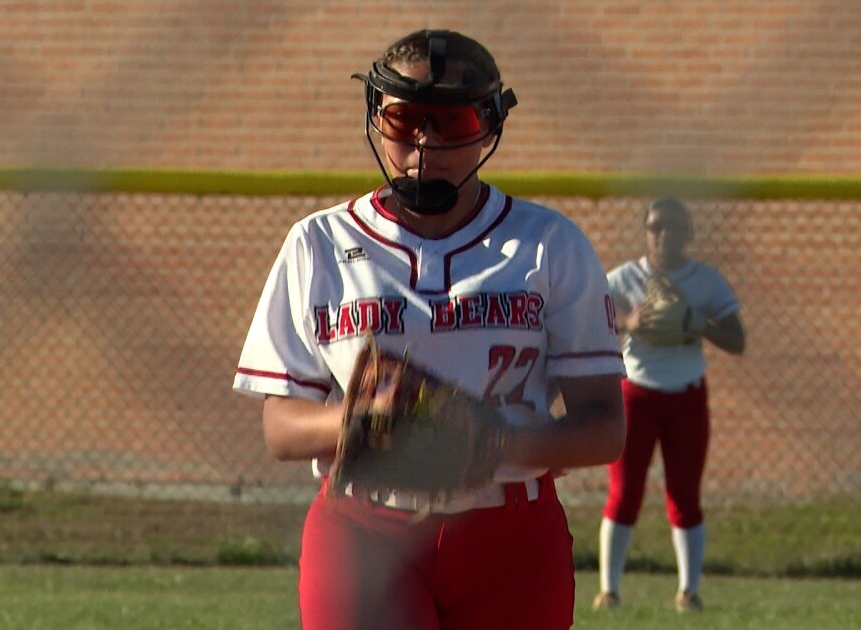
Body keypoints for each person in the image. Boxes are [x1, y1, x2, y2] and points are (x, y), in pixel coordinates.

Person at [233, 29, 627, 630]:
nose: (425, 139)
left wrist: (492, 443)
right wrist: (372, 423)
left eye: (454, 120)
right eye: (404, 118)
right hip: (364, 527)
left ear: (491, 126)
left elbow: (604, 429)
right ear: (376, 117)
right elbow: (282, 429)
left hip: (510, 530)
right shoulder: (318, 242)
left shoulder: (548, 244)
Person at [592, 196, 746, 613]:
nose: (665, 235)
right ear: (645, 232)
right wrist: (628, 322)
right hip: (635, 393)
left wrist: (699, 323)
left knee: (684, 493)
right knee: (624, 493)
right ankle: (609, 589)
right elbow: (588, 324)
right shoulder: (624, 279)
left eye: (675, 227)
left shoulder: (706, 282)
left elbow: (738, 340)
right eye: (657, 226)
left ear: (689, 233)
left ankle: (689, 590)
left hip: (686, 395)